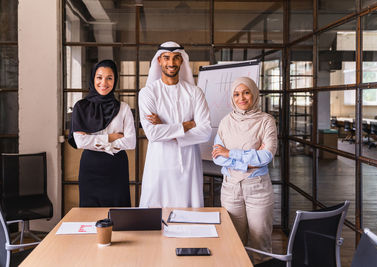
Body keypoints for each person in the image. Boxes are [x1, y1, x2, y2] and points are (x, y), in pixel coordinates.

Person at [212, 77, 277, 264]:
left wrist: (230, 153)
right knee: (233, 242)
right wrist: (249, 160)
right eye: (237, 94)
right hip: (231, 188)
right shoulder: (226, 122)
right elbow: (218, 157)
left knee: (261, 246)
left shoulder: (266, 121)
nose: (242, 98)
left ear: (254, 94)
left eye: (246, 92)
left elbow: (266, 157)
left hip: (258, 189)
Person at [139, 41, 212, 208]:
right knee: (155, 218)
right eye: (166, 58)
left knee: (190, 216)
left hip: (188, 165)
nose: (171, 63)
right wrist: (185, 126)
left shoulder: (194, 92)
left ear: (182, 61)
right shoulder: (148, 93)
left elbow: (205, 131)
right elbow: (152, 134)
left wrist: (165, 128)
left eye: (175, 58)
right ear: (159, 61)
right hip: (159, 165)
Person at [68, 59, 136, 207]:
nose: (103, 83)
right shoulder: (81, 107)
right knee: (90, 216)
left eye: (109, 78)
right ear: (93, 79)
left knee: (118, 216)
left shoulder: (123, 108)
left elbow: (130, 142)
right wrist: (110, 137)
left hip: (117, 168)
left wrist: (93, 140)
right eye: (99, 77)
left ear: (115, 80)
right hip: (91, 168)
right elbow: (80, 141)